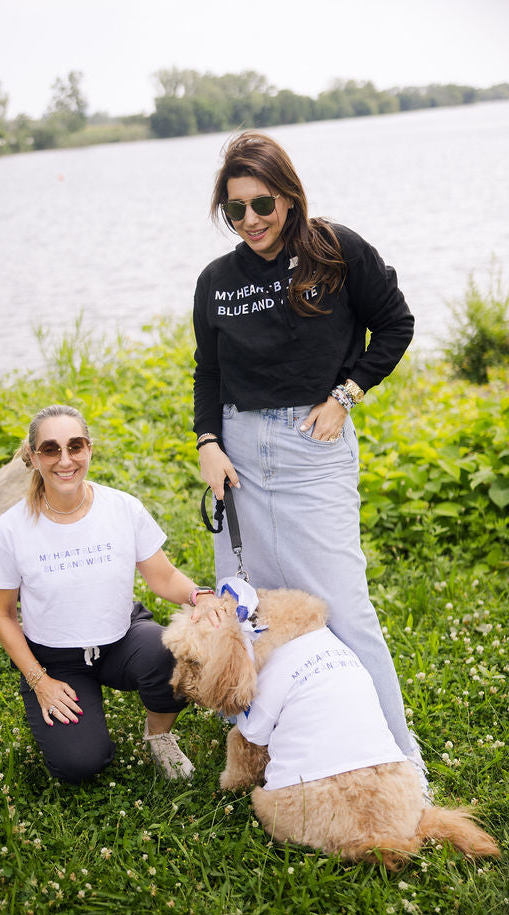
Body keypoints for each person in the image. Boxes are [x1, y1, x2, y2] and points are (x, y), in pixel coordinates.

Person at [192, 131, 427, 788]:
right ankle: (263, 753)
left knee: (343, 608)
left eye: (261, 203)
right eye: (234, 210)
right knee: (249, 610)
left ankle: (402, 759)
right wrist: (208, 443)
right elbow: (207, 372)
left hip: (312, 450)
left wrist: (345, 394)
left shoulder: (336, 251)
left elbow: (398, 324)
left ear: (288, 196)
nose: (251, 221)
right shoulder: (216, 281)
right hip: (237, 454)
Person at [0, 404, 218, 785]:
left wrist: (200, 595)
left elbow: (164, 575)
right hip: (56, 661)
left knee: (173, 652)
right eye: (51, 449)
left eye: (75, 446)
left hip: (122, 639)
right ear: (34, 456)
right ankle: (69, 710)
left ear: (89, 449)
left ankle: (158, 736)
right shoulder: (10, 530)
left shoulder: (121, 508)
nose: (65, 460)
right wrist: (40, 679)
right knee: (81, 764)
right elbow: (2, 614)